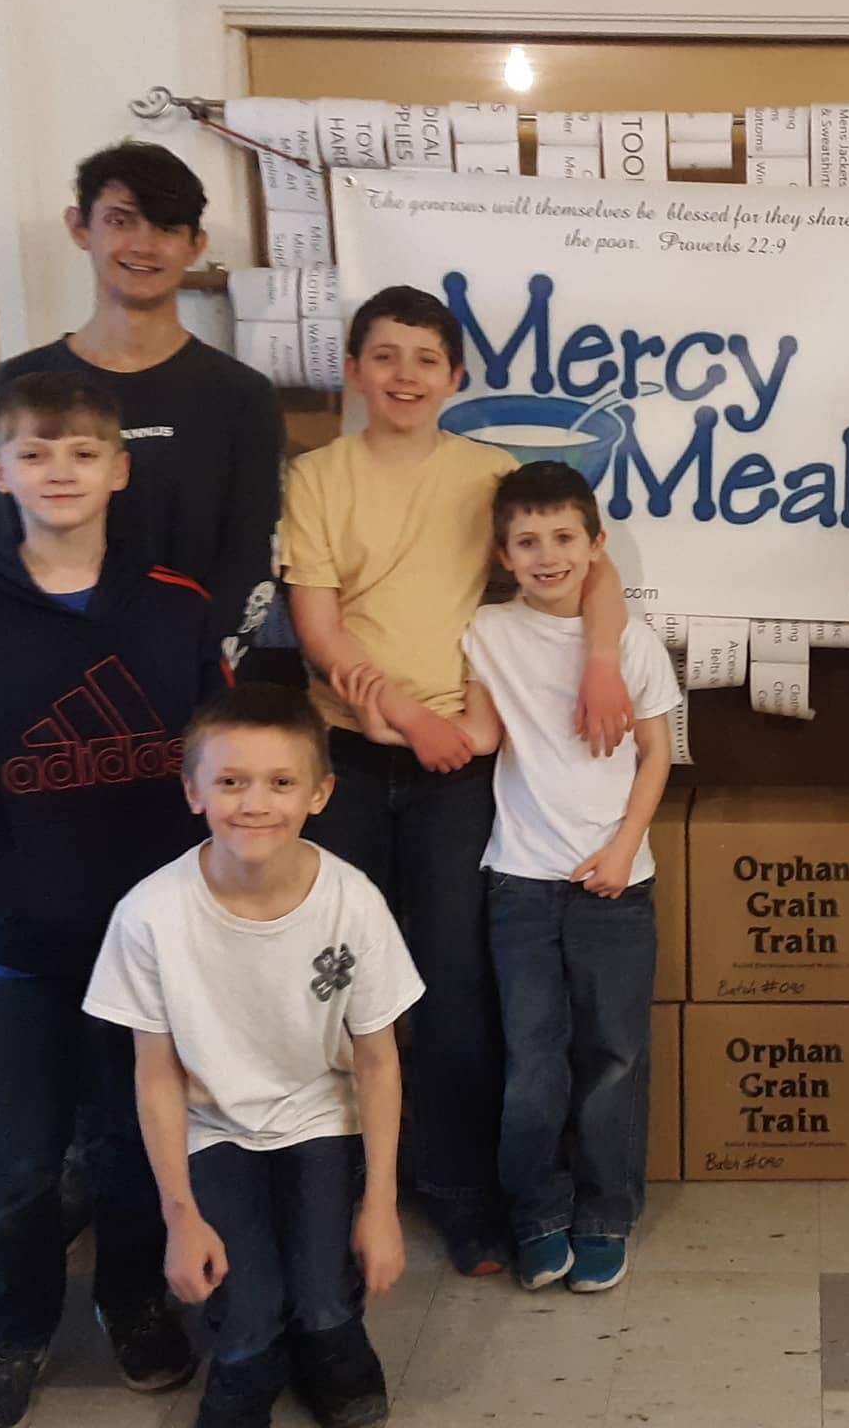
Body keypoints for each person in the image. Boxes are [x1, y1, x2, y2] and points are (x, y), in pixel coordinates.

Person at [280, 284, 632, 1276]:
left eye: (424, 359)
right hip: (344, 759)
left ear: (454, 378)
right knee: (335, 981)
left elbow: (592, 572)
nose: (402, 375)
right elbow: (318, 627)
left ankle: (459, 1194)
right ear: (353, 371)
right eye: (383, 356)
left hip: (456, 770)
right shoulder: (316, 475)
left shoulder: (489, 473)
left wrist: (601, 661)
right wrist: (404, 715)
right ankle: (341, 1190)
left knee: (450, 985)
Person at [0, 371, 228, 1428]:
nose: (59, 472)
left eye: (82, 454)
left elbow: (219, 755)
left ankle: (133, 1304)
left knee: (137, 1141)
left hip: (153, 946)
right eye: (35, 455)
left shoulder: (178, 607)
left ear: (118, 471)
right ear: (0, 473)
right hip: (25, 946)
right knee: (26, 1159)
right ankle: (14, 1332)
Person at [83, 684, 424, 1428]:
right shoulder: (149, 915)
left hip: (322, 1118)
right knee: (247, 1310)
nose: (255, 803)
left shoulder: (353, 902)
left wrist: (381, 1207)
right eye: (231, 782)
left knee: (325, 1295)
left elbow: (377, 1061)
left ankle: (334, 1345)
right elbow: (156, 1073)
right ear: (193, 791)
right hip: (213, 1128)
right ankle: (249, 1365)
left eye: (280, 782)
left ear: (321, 793)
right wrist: (179, 1216)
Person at [460, 461, 682, 1295]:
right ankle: (538, 1210)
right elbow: (481, 736)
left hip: (617, 884)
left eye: (563, 539)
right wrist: (385, 704)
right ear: (503, 554)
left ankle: (605, 1213)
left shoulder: (631, 642)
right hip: (519, 881)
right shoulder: (485, 633)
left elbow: (657, 753)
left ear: (595, 547)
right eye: (527, 542)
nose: (546, 556)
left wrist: (626, 846)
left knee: (615, 1056)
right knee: (532, 1062)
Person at [0, 141, 284, 670]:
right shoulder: (19, 385)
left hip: (193, 684)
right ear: (81, 227)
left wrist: (189, 668)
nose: (143, 245)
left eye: (167, 228)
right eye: (122, 221)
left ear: (196, 244)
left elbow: (249, 558)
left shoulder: (240, 395)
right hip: (51, 679)